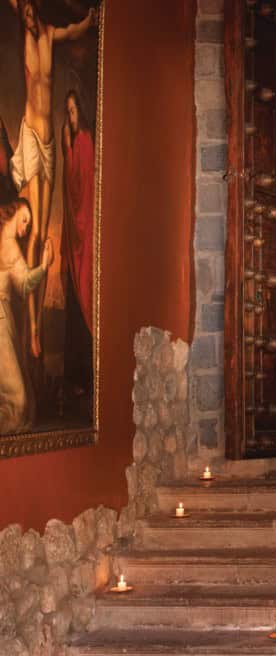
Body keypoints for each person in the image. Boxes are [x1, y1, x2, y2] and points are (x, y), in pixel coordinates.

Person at [7, 0, 96, 365]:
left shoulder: (49, 35)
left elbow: (76, 30)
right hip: (30, 136)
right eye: (23, 14)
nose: (28, 19)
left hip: (46, 146)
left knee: (43, 234)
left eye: (31, 13)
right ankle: (33, 329)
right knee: (31, 236)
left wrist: (93, 17)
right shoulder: (28, 33)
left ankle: (37, 326)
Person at [0, 199, 53, 434]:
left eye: (29, 223)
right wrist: (43, 266)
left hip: (4, 318)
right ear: (13, 212)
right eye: (25, 219)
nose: (27, 226)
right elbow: (24, 284)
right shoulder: (9, 243)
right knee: (18, 400)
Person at [60, 90, 95, 408]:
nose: (69, 118)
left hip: (84, 237)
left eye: (72, 111)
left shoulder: (83, 141)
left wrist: (68, 152)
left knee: (84, 302)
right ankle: (76, 380)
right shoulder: (75, 142)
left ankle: (84, 379)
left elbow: (80, 189)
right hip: (75, 240)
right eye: (67, 112)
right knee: (73, 304)